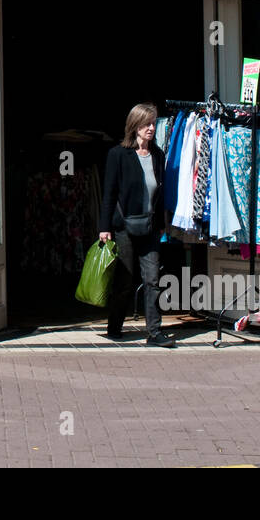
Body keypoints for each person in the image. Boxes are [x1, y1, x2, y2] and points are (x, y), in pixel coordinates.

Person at [98, 103, 174, 347]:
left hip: (150, 227)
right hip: (124, 227)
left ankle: (154, 333)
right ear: (135, 126)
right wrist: (104, 227)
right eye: (146, 124)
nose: (151, 128)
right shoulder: (118, 155)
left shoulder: (158, 155)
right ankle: (114, 326)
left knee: (152, 279)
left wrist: (162, 223)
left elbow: (160, 192)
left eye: (153, 123)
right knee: (125, 280)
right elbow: (109, 193)